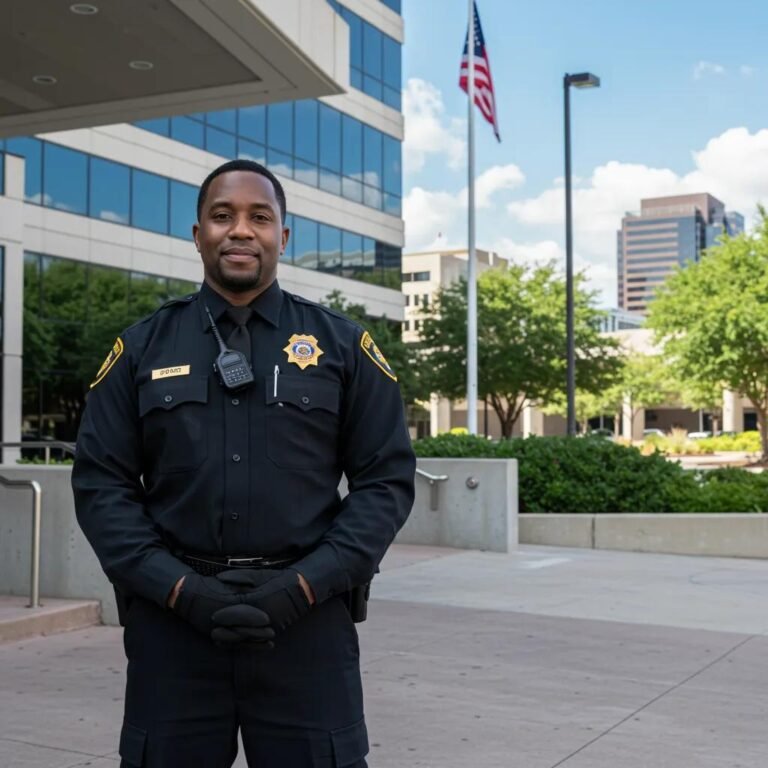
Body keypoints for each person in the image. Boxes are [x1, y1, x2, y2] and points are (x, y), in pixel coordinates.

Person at [72, 158, 415, 768]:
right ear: (197, 232)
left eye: (260, 217)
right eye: (222, 215)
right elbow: (102, 486)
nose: (240, 230)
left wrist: (304, 586)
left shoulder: (342, 345)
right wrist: (179, 590)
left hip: (305, 624)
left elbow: (385, 480)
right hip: (175, 630)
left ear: (283, 236)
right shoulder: (141, 347)